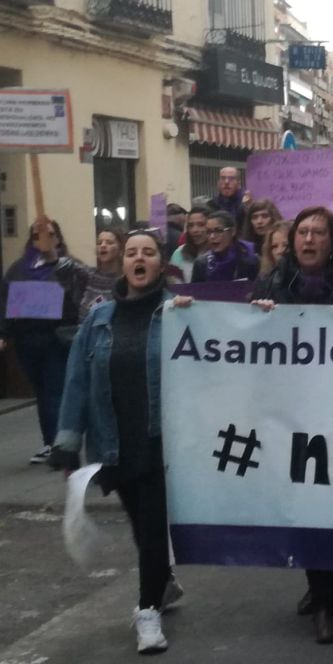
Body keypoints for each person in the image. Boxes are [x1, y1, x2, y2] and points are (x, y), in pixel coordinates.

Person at [49, 230, 190, 654]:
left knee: (150, 528)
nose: (139, 258)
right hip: (113, 442)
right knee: (140, 524)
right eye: (132, 253)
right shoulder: (99, 318)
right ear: (123, 263)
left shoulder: (177, 313)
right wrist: (67, 443)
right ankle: (162, 583)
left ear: (161, 263)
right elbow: (76, 382)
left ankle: (147, 610)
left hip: (160, 442)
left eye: (148, 252)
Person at [251, 206, 333, 644]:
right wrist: (259, 314)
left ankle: (328, 603)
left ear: (331, 241)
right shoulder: (272, 284)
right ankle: (317, 585)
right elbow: (245, 340)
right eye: (301, 231)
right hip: (291, 415)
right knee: (304, 507)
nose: (307, 239)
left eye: (317, 233)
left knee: (328, 506)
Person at [0, 217, 83, 463]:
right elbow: (5, 302)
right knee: (42, 391)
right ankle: (51, 441)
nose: (43, 240)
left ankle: (59, 442)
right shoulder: (18, 269)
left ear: (57, 238)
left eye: (48, 235)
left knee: (54, 390)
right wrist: (4, 333)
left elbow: (79, 299)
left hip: (57, 338)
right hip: (27, 339)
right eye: (37, 235)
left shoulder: (69, 267)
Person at [191, 211, 259, 283]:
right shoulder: (202, 264)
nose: (212, 236)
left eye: (218, 231)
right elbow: (194, 292)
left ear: (232, 231)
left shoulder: (250, 261)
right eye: (208, 232)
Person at [169, 207, 210, 283]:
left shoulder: (218, 253)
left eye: (201, 225)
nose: (195, 230)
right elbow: (173, 286)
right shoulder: (179, 253)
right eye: (191, 225)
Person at [207, 166, 247, 230]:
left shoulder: (246, 204)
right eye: (223, 178)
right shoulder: (211, 205)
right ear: (218, 183)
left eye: (231, 178)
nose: (226, 182)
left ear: (238, 183)